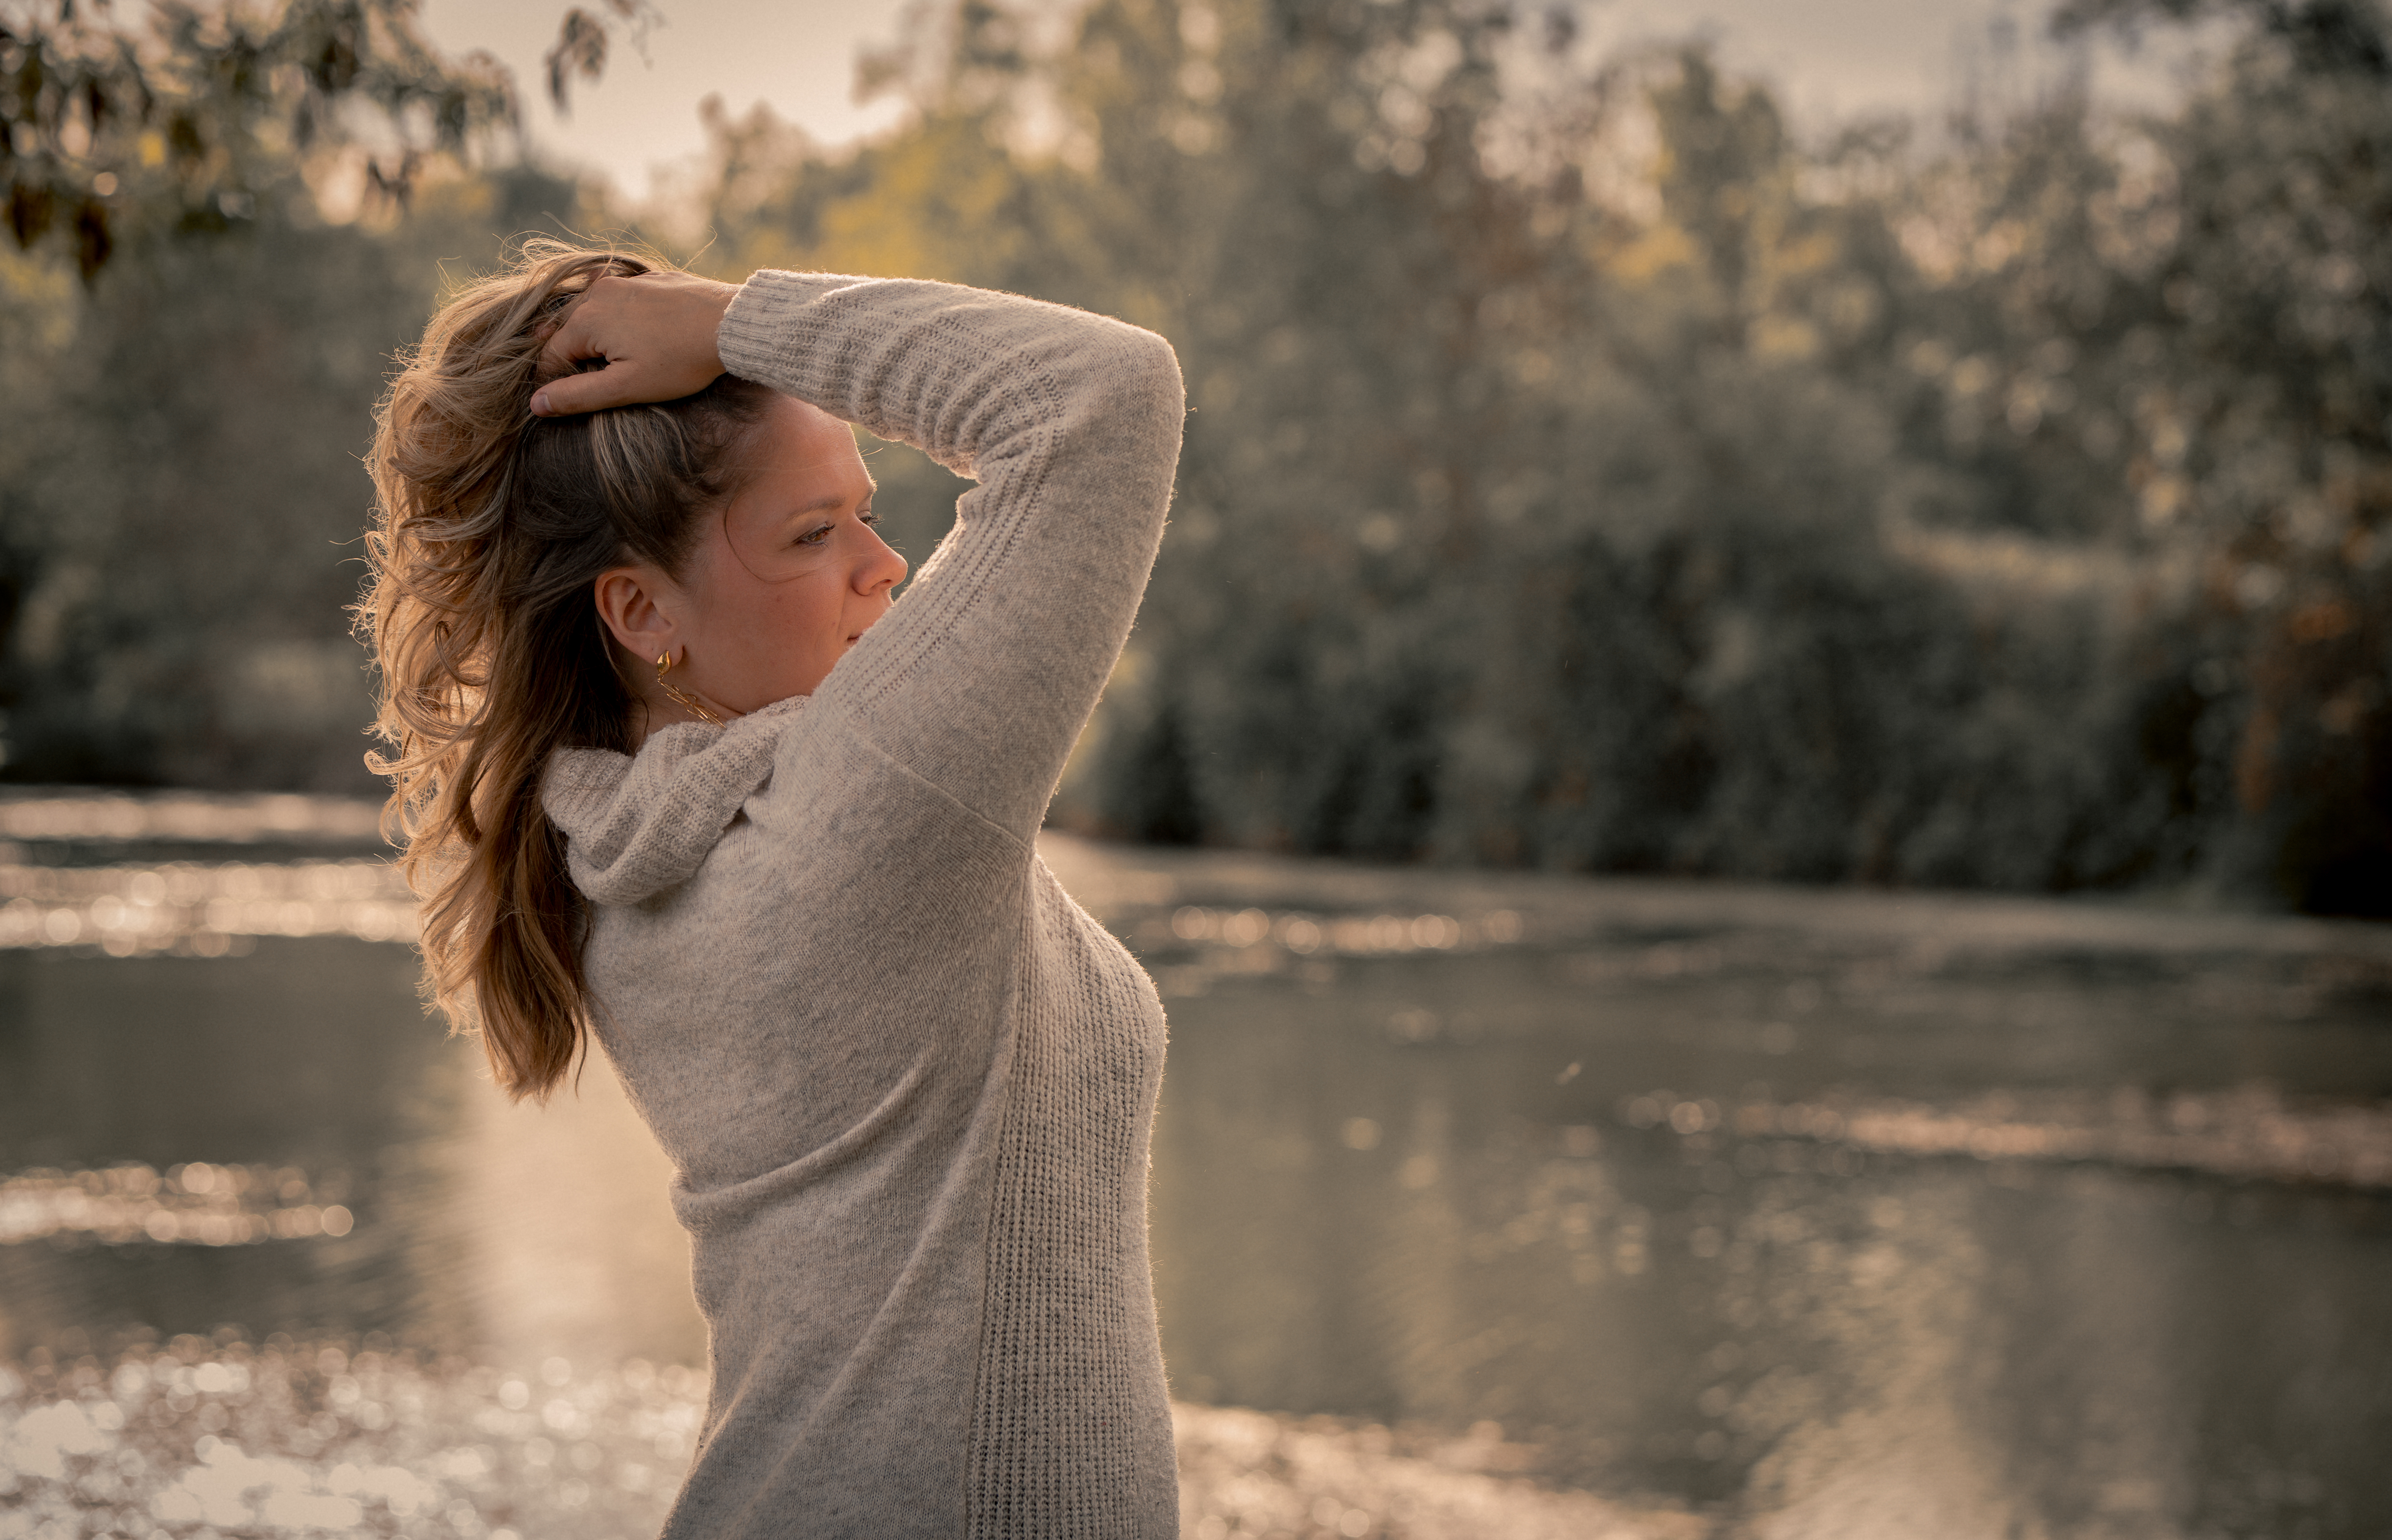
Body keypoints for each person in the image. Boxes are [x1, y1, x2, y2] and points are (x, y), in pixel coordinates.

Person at [358, 240, 1187, 1537]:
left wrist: (731, 342)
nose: (886, 565)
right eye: (815, 534)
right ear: (640, 612)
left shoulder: (634, 848)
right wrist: (740, 323)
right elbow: (1101, 397)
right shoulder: (864, 814)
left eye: (865, 510)